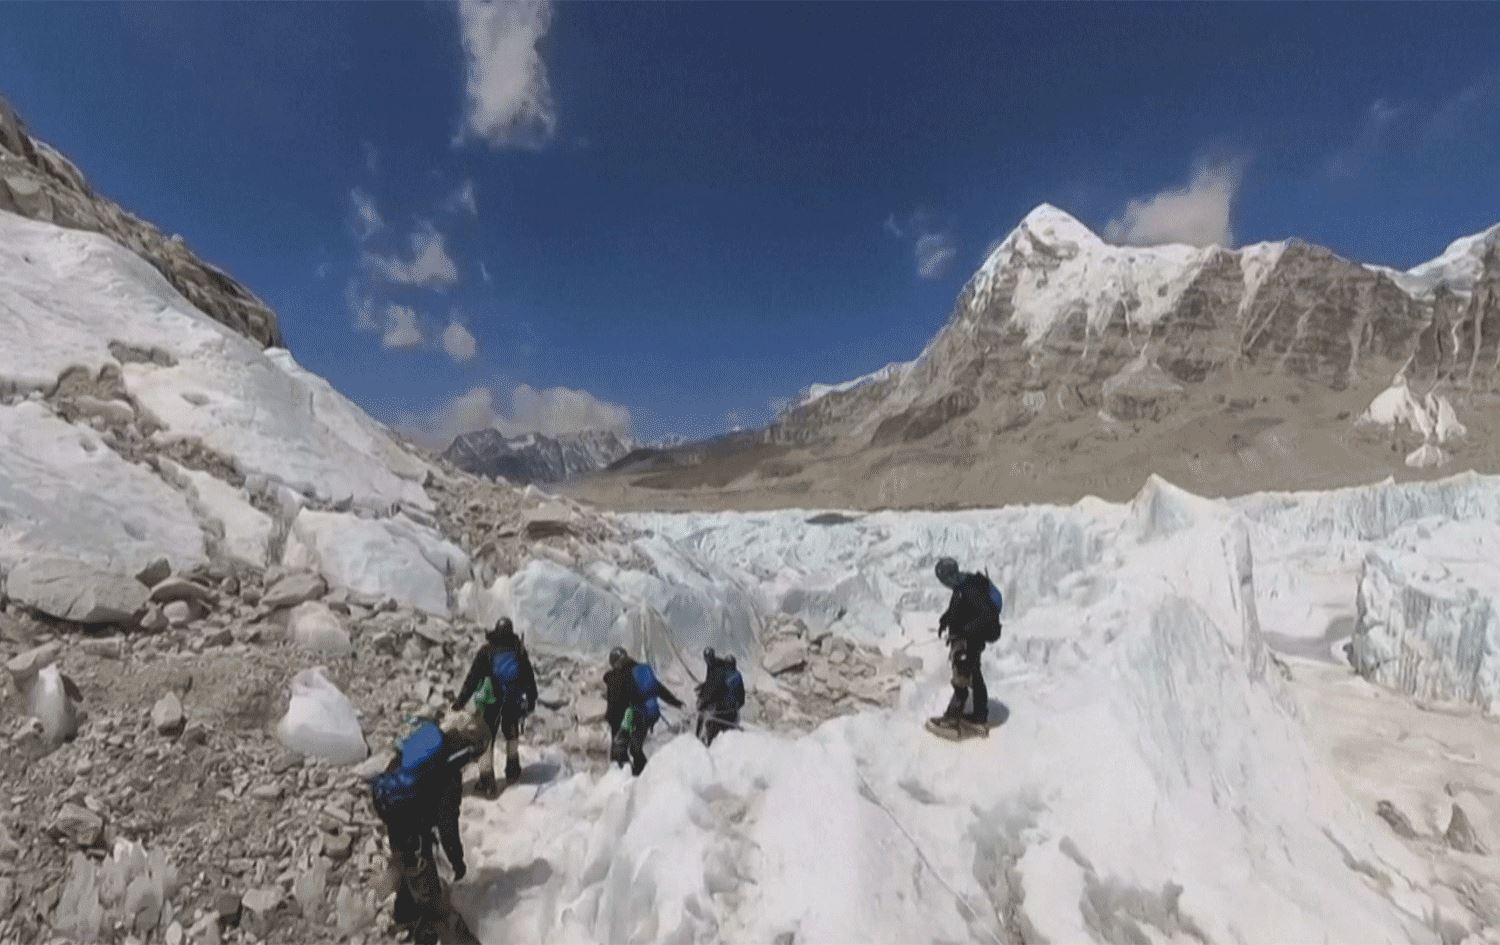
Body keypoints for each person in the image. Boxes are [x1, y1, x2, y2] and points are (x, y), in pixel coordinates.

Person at [369, 720, 477, 945]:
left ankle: (406, 916)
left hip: (397, 823)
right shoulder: (448, 776)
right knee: (433, 900)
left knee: (407, 868)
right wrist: (457, 860)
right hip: (414, 836)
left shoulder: (423, 746)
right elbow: (448, 827)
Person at [451, 617, 539, 795]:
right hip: (512, 699)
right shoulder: (518, 650)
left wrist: (460, 702)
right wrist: (531, 700)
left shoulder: (487, 651)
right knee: (511, 733)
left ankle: (487, 781)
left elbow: (472, 679)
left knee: (486, 738)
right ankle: (513, 770)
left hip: (492, 700)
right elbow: (529, 678)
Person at [931, 557, 1003, 734]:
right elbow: (959, 607)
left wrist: (966, 630)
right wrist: (945, 620)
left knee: (962, 674)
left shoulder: (968, 589)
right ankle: (980, 715)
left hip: (971, 639)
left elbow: (987, 613)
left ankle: (952, 719)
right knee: (975, 673)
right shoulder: (963, 584)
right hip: (971, 637)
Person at [603, 646, 684, 775]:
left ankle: (626, 778)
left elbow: (616, 704)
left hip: (628, 717)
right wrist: (676, 703)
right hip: (645, 715)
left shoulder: (617, 677)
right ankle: (644, 776)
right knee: (635, 749)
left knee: (620, 749)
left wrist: (611, 719)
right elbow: (658, 689)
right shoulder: (640, 671)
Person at [695, 647, 746, 747]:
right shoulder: (737, 675)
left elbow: (714, 691)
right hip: (733, 711)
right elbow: (741, 696)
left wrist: (703, 702)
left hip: (723, 710)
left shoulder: (722, 674)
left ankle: (698, 738)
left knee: (706, 717)